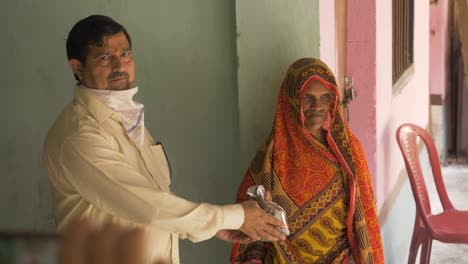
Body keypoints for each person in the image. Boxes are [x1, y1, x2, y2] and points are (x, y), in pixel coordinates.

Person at [43, 14, 286, 264]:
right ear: (77, 67)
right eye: (105, 58)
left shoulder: (127, 118)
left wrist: (212, 227)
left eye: (125, 54)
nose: (119, 65)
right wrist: (234, 217)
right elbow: (147, 206)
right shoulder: (78, 136)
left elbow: (156, 208)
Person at [230, 58, 384, 263]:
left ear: (333, 100)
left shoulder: (350, 152)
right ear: (292, 99)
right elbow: (249, 219)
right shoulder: (271, 156)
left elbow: (364, 215)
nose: (317, 106)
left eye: (325, 97)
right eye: (308, 97)